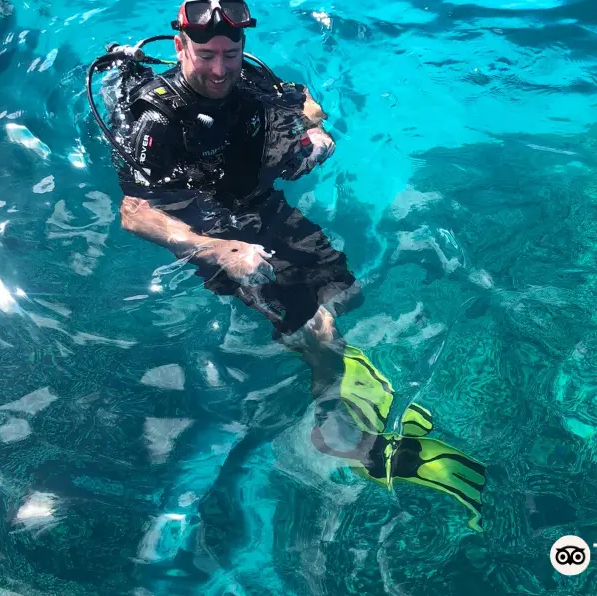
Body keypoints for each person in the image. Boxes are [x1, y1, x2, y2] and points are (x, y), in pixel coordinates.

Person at [111, 0, 487, 531]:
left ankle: (327, 359)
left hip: (256, 203)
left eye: (231, 54)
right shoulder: (157, 116)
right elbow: (133, 213)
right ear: (180, 47)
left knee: (345, 291)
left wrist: (308, 138)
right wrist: (217, 249)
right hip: (205, 226)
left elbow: (306, 104)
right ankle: (332, 431)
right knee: (318, 326)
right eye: (206, 56)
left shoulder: (248, 80)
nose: (220, 70)